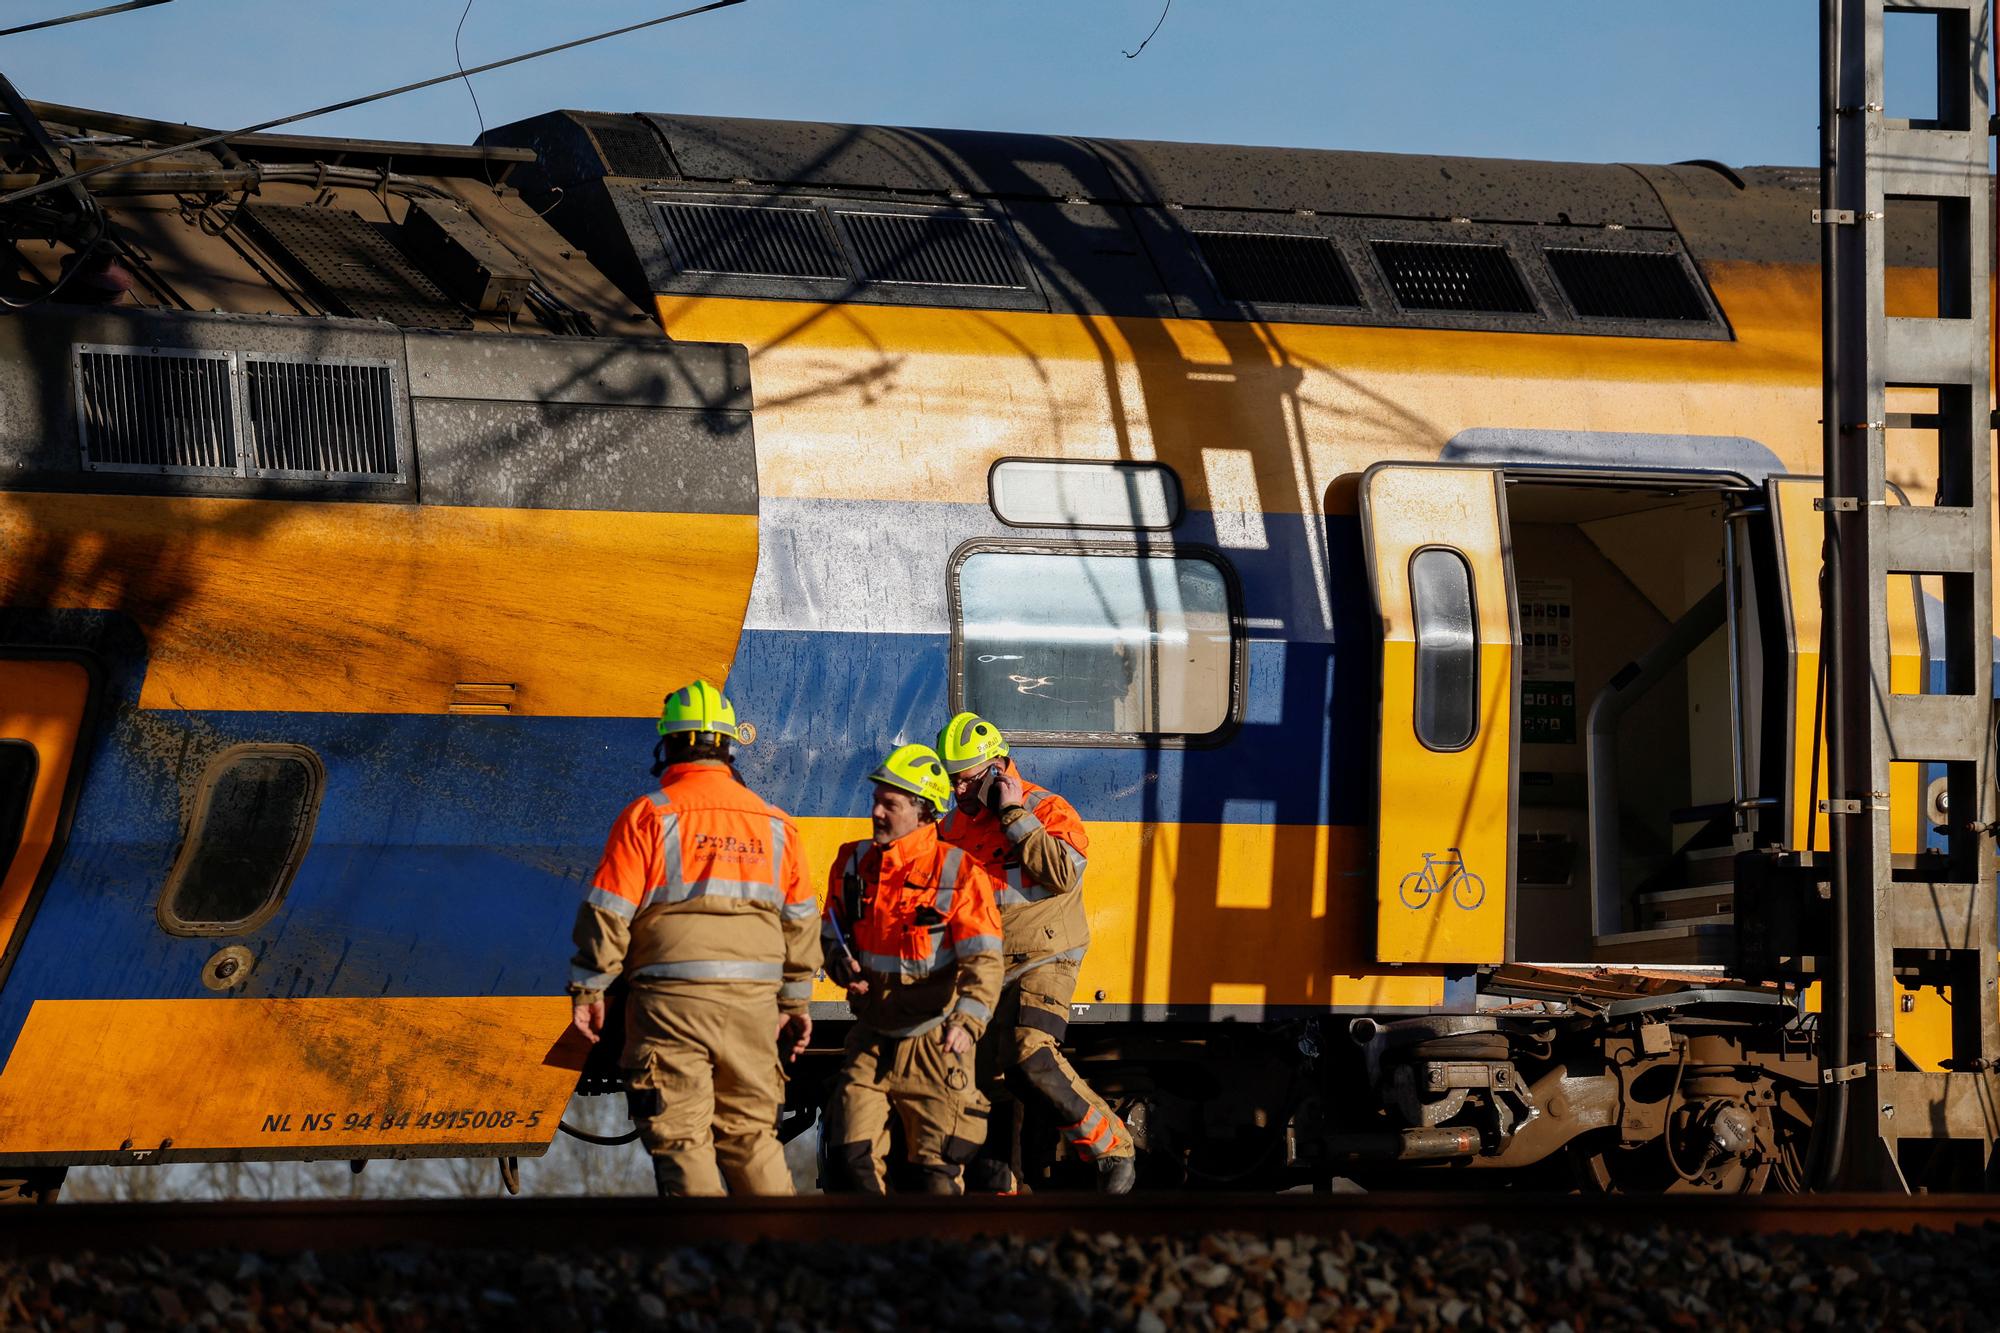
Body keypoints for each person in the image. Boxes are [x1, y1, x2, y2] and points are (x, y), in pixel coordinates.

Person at [568, 679, 819, 1197]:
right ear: (727, 747)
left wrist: (590, 989)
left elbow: (608, 911)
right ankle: (782, 1251)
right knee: (752, 1135)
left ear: (669, 746)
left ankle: (706, 1258)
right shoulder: (776, 825)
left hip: (670, 1003)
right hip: (753, 1004)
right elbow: (801, 921)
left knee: (681, 1136)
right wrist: (795, 1001)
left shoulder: (649, 817)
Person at [935, 711, 1137, 1193]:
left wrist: (1013, 816)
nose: (957, 792)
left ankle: (1112, 1147)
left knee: (1030, 1053)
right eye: (950, 781)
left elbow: (1063, 874)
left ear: (998, 770)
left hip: (1045, 955)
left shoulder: (1046, 809)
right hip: (982, 965)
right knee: (975, 1078)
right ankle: (1000, 1192)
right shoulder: (951, 828)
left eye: (965, 781)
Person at [822, 744, 1003, 1194]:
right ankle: (876, 1259)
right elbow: (830, 932)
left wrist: (968, 1021)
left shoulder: (959, 872)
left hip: (936, 1042)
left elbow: (984, 960)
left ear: (923, 812)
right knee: (851, 1158)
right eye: (876, 801)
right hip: (872, 1037)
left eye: (891, 804)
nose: (878, 813)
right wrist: (840, 964)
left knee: (935, 1175)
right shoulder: (852, 864)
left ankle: (938, 1260)